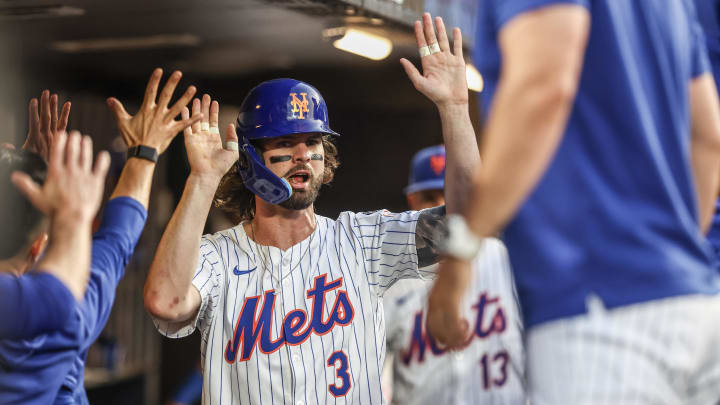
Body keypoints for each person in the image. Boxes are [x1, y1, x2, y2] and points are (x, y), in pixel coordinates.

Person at [144, 14, 479, 404]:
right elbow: (166, 302)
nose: (303, 153)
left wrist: (455, 108)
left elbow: (467, 222)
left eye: (313, 140)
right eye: (286, 141)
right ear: (250, 158)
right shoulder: (215, 257)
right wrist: (202, 181)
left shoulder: (362, 241)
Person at [427, 1, 720, 404]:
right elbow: (707, 139)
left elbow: (544, 87)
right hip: (696, 303)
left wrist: (460, 257)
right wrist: (675, 256)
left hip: (599, 313)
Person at [0, 69, 201, 404]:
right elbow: (117, 237)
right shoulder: (66, 314)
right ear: (39, 246)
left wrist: (29, 180)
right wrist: (144, 151)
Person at [382, 144, 526, 405]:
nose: (443, 208)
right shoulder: (391, 278)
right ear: (412, 201)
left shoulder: (506, 261)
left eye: (450, 196)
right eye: (430, 197)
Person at [0, 90, 104, 341]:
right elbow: (58, 297)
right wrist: (71, 214)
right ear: (37, 247)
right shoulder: (37, 309)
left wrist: (31, 172)